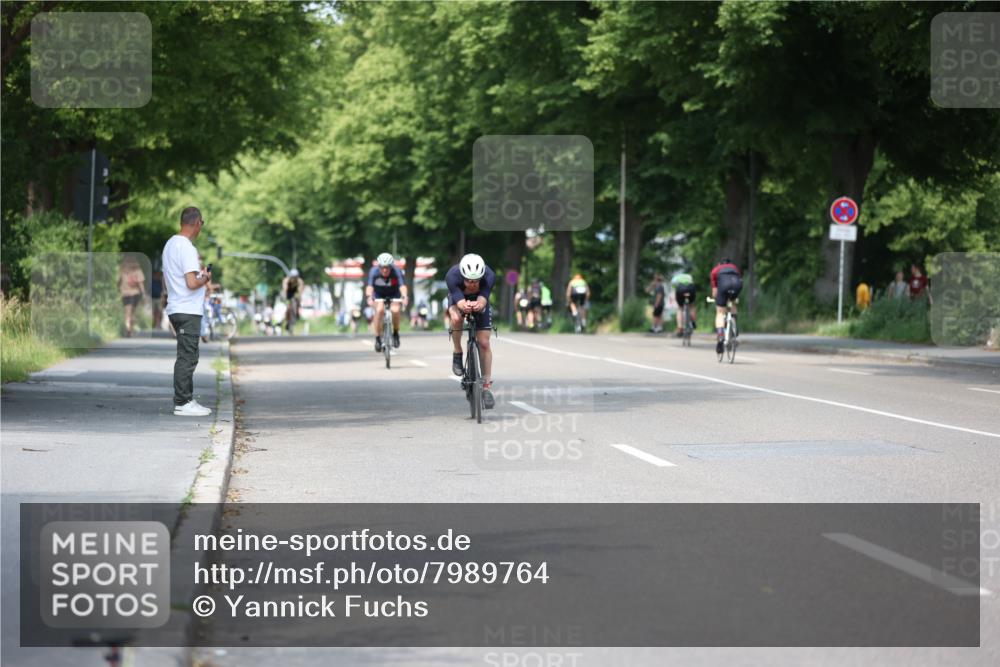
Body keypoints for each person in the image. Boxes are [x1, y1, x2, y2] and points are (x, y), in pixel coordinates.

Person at [162, 206, 212, 417]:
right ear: (197, 223)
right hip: (187, 309)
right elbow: (192, 283)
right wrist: (206, 278)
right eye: (202, 224)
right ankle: (183, 402)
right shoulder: (187, 247)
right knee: (187, 356)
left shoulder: (170, 245)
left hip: (176, 306)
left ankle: (186, 399)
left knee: (187, 354)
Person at [447, 253, 497, 409]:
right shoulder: (452, 276)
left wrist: (479, 305)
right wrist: (464, 306)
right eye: (469, 281)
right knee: (456, 318)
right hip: (459, 299)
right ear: (462, 276)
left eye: (476, 281)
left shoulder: (489, 276)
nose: (473, 284)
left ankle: (487, 387)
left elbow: (483, 299)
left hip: (479, 300)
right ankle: (457, 351)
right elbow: (459, 301)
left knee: (484, 343)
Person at [366, 252, 408, 351]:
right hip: (379, 295)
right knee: (379, 310)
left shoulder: (397, 271)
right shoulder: (374, 271)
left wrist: (404, 296)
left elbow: (402, 286)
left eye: (387, 267)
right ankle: (377, 338)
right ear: (379, 266)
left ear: (391, 266)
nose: (385, 270)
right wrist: (369, 297)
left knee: (396, 310)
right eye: (382, 267)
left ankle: (396, 333)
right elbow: (370, 287)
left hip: (394, 294)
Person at [710, 258, 742, 355]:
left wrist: (716, 299)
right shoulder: (735, 268)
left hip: (723, 285)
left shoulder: (715, 270)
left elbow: (715, 292)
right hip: (736, 285)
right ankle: (734, 325)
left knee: (720, 312)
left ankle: (720, 335)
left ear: (719, 264)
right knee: (732, 303)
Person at [118, 256, 145, 337]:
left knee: (127, 313)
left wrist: (119, 289)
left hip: (125, 293)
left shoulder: (122, 271)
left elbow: (118, 282)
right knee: (133, 313)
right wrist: (143, 294)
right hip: (135, 294)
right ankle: (130, 329)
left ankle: (128, 329)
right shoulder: (138, 271)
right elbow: (141, 284)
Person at [670, 269, 697, 336]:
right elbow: (692, 282)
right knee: (692, 306)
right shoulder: (689, 276)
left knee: (680, 308)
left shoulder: (675, 278)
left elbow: (674, 289)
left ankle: (680, 328)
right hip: (691, 289)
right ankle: (693, 321)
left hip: (680, 289)